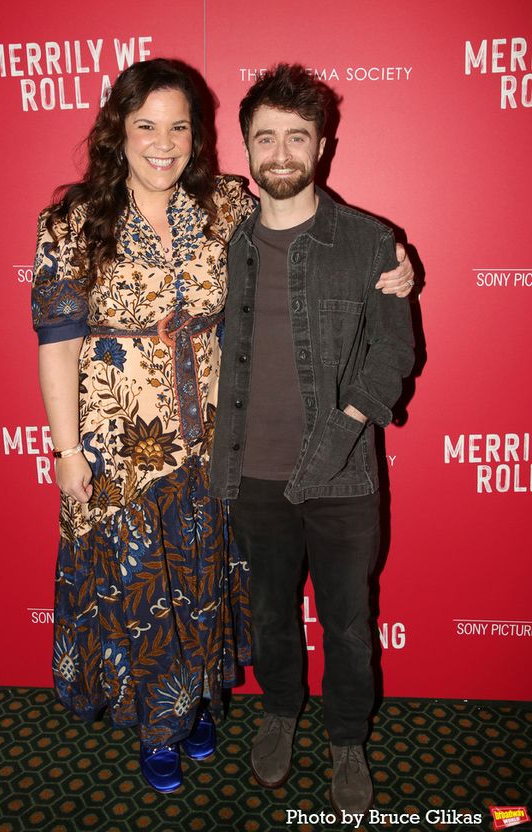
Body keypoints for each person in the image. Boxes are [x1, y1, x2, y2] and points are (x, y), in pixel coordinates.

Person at [32, 58, 414, 794]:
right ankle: (158, 729)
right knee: (142, 591)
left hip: (211, 447)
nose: (163, 141)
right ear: (120, 129)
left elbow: (320, 230)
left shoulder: (221, 207)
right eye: (146, 124)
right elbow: (57, 344)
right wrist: (65, 450)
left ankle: (207, 707)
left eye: (179, 125)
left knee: (206, 588)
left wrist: (395, 262)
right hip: (119, 448)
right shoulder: (73, 221)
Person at [209, 64, 415, 814]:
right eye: (266, 137)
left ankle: (348, 738)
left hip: (342, 475)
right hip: (249, 472)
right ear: (247, 147)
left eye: (298, 135)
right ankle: (280, 712)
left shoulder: (368, 242)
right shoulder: (219, 241)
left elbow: (395, 352)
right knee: (267, 616)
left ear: (322, 145)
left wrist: (349, 422)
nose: (282, 151)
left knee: (348, 622)